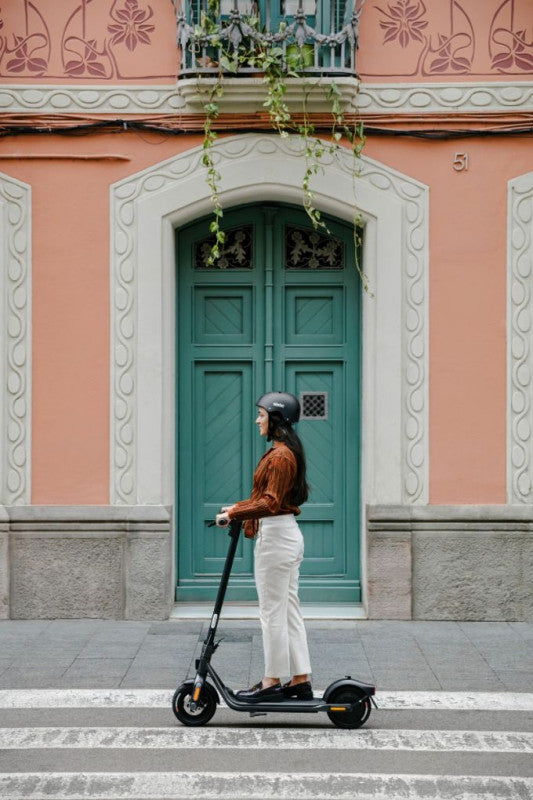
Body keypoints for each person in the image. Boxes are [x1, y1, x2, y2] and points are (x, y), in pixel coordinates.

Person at [215, 392, 313, 701]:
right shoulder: (281, 453)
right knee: (288, 611)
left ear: (276, 420)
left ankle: (272, 681)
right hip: (283, 536)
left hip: (277, 539)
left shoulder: (281, 456)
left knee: (272, 612)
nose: (258, 419)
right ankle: (299, 678)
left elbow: (270, 504)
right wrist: (238, 507)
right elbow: (268, 499)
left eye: (262, 414)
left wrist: (233, 514)